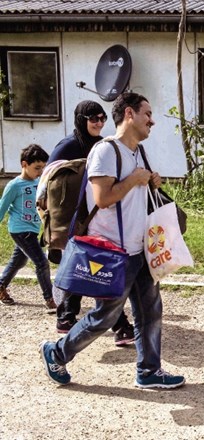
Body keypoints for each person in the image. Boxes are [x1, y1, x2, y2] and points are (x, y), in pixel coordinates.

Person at [39, 92, 185, 389]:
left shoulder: (138, 152)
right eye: (148, 114)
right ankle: (56, 352)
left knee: (150, 311)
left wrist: (150, 181)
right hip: (112, 252)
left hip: (138, 249)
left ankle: (149, 371)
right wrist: (135, 179)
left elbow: (136, 193)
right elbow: (103, 197)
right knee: (104, 318)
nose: (152, 121)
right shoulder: (106, 151)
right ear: (129, 114)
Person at [48, 100, 136, 345]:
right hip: (74, 219)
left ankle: (66, 317)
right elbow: (48, 181)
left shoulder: (103, 146)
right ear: (81, 119)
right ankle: (121, 327)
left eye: (101, 118)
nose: (98, 123)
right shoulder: (68, 146)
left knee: (86, 266)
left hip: (95, 217)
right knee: (95, 268)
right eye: (93, 119)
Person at [0, 144, 56, 312]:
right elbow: (2, 207)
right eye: (37, 168)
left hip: (33, 229)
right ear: (24, 164)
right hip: (20, 230)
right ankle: (50, 298)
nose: (40, 172)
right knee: (41, 263)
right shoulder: (14, 185)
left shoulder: (39, 182)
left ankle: (1, 285)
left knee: (19, 260)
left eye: (43, 168)